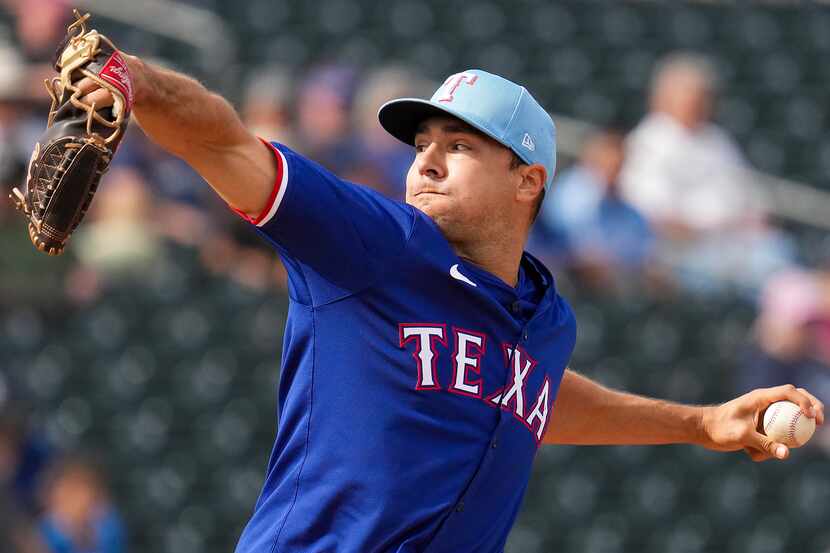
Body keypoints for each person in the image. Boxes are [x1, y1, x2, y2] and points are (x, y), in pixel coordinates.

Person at [74, 48, 824, 552]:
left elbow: (526, 396)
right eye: (422, 141)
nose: (426, 159)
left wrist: (697, 423)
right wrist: (126, 74)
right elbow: (227, 144)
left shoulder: (546, 316)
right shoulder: (374, 242)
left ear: (528, 179)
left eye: (460, 146)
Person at [619, 52, 794, 294]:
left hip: (736, 247)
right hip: (683, 256)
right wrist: (712, 228)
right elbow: (654, 214)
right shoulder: (649, 141)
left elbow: (754, 201)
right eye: (692, 95)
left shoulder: (717, 139)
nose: (700, 103)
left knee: (780, 256)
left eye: (705, 96)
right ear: (664, 96)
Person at [532, 130, 654, 288]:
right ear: (590, 161)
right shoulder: (571, 192)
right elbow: (570, 245)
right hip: (569, 280)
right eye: (606, 165)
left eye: (618, 167)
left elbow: (641, 249)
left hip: (616, 283)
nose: (613, 173)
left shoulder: (627, 208)